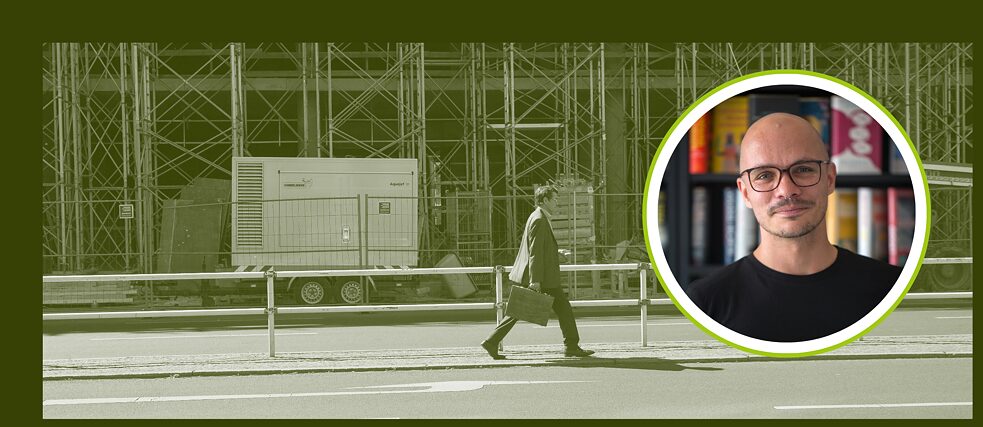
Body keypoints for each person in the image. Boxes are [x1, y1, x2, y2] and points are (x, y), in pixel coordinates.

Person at [685, 112, 902, 342]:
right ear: (745, 193)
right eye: (765, 175)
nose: (786, 190)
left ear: (829, 179)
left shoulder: (894, 290)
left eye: (803, 169)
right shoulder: (704, 304)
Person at [480, 184, 595, 359]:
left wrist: (557, 252)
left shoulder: (537, 216)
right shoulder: (540, 219)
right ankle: (571, 346)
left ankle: (491, 341)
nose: (557, 202)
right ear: (544, 200)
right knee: (562, 308)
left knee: (518, 311)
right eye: (555, 199)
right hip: (543, 277)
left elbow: (539, 248)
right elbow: (535, 252)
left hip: (541, 275)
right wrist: (535, 280)